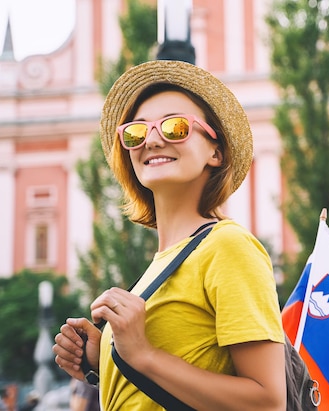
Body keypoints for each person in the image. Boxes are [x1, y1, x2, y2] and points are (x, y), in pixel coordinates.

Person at [52, 60, 286, 410]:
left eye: (175, 126)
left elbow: (268, 402)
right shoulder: (160, 265)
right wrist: (103, 359)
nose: (153, 139)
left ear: (216, 151)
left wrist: (143, 354)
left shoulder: (228, 246)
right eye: (136, 132)